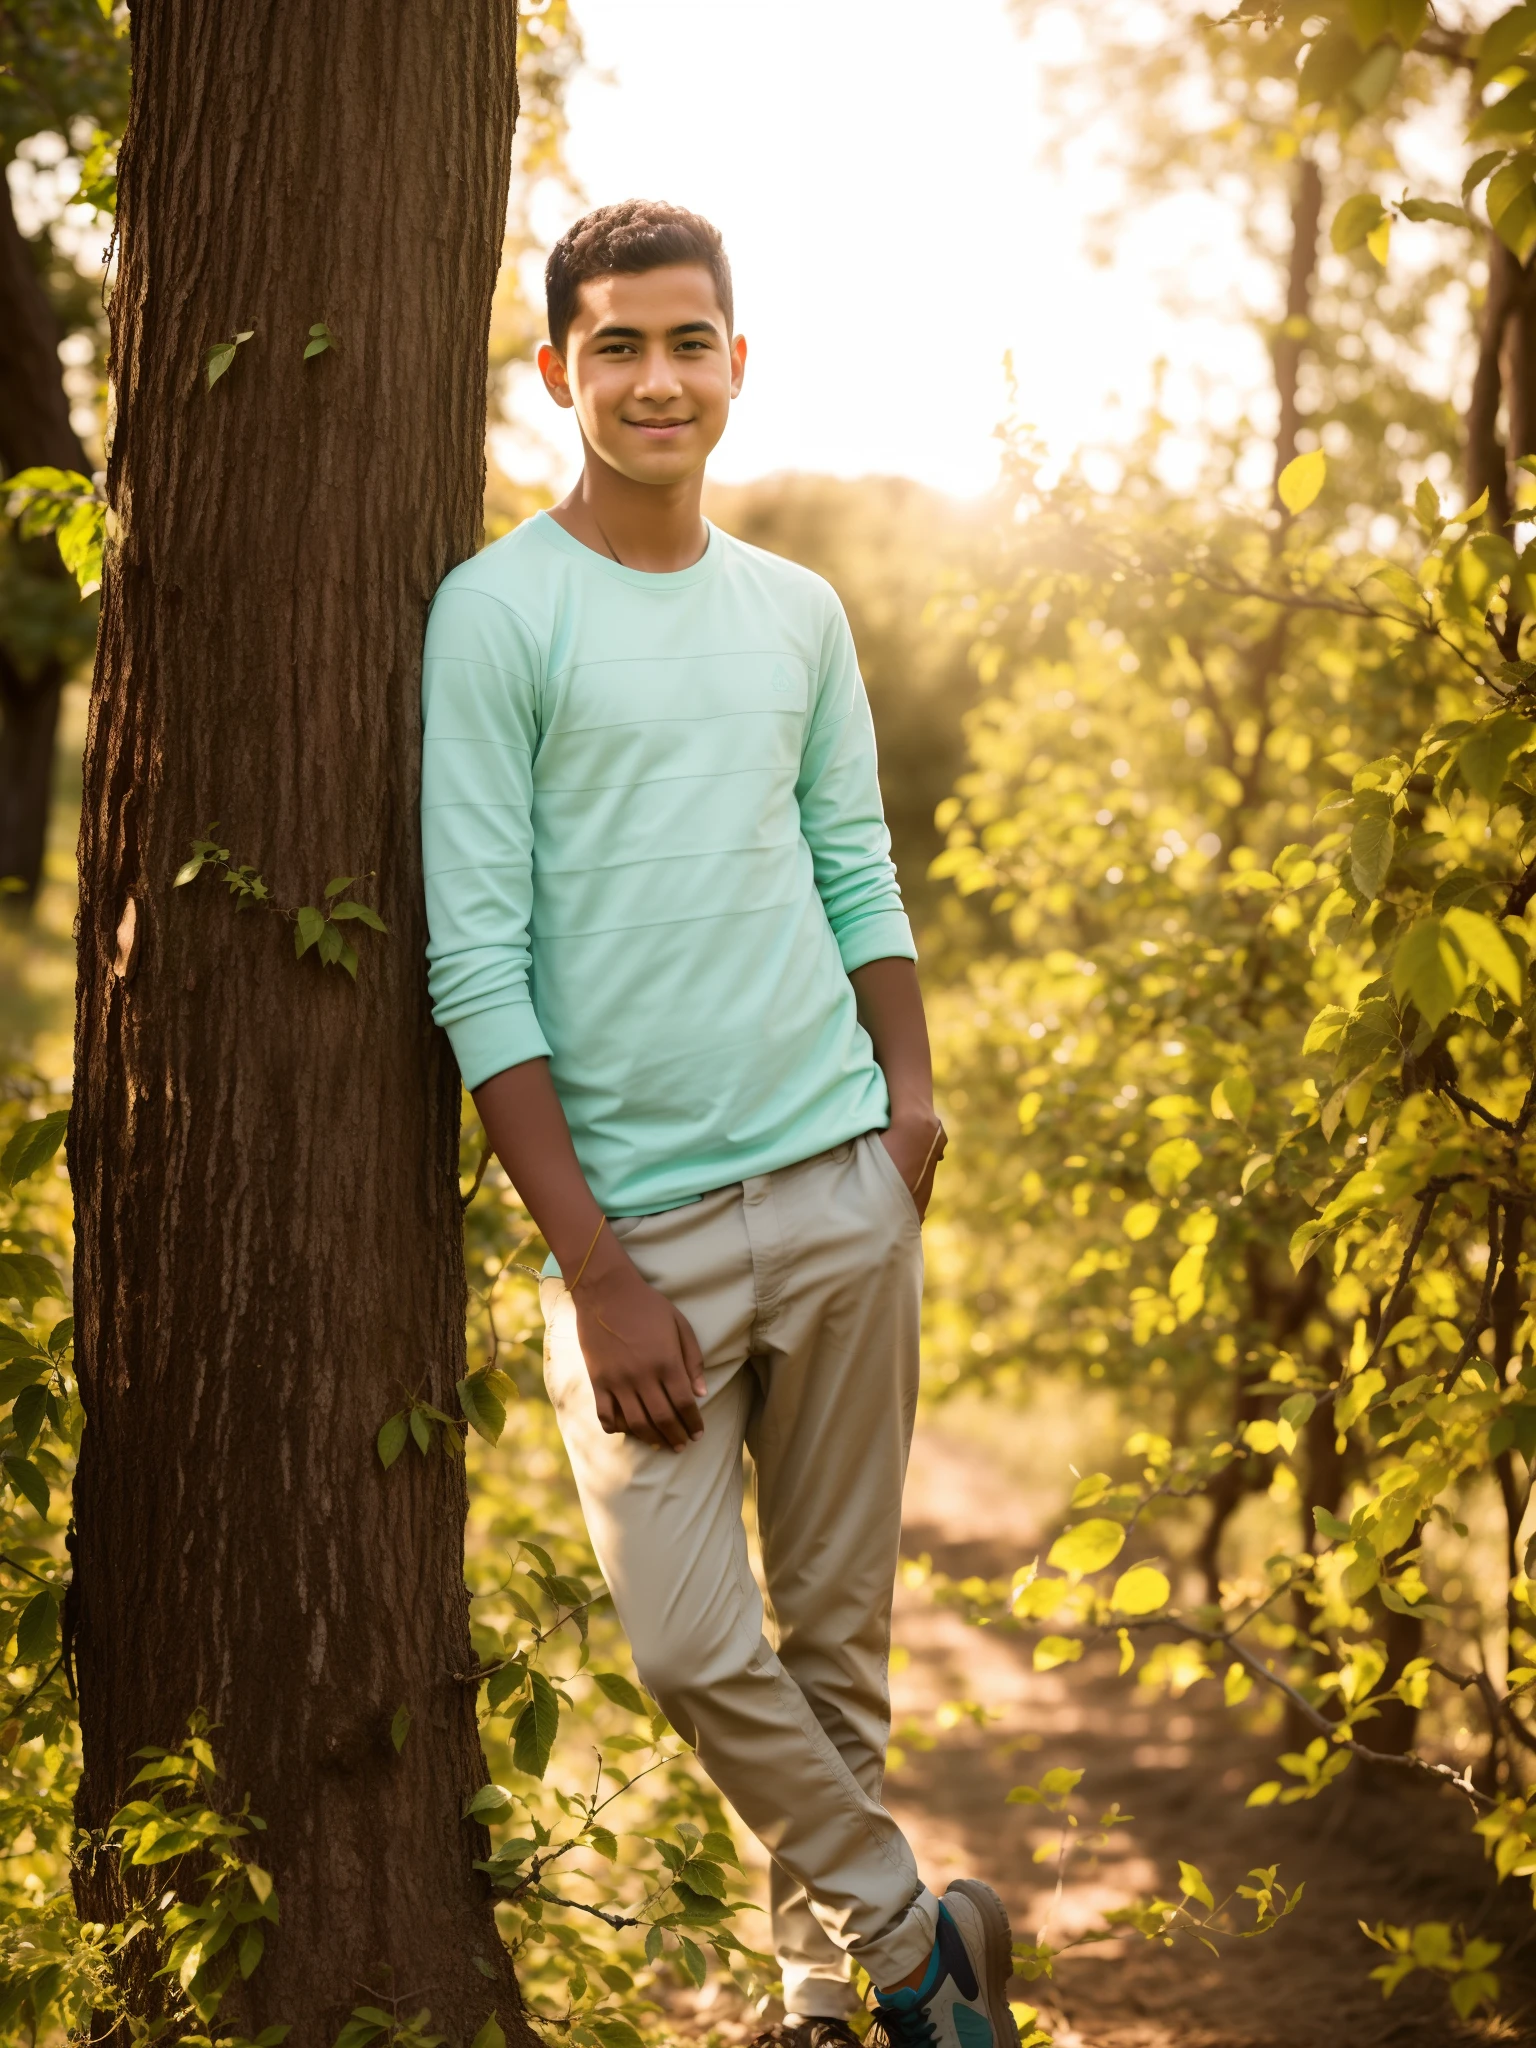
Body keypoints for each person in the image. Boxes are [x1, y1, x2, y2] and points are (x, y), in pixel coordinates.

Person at [419, 198, 1018, 2048]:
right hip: (639, 1248)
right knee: (693, 1644)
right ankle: (921, 1942)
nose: (657, 377)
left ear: (737, 364)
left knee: (834, 1649)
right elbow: (476, 957)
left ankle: (821, 2008)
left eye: (690, 342)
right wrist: (591, 1266)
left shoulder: (799, 612)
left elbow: (857, 864)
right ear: (557, 373)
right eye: (619, 345)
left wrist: (907, 1110)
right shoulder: (499, 613)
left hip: (842, 1188)